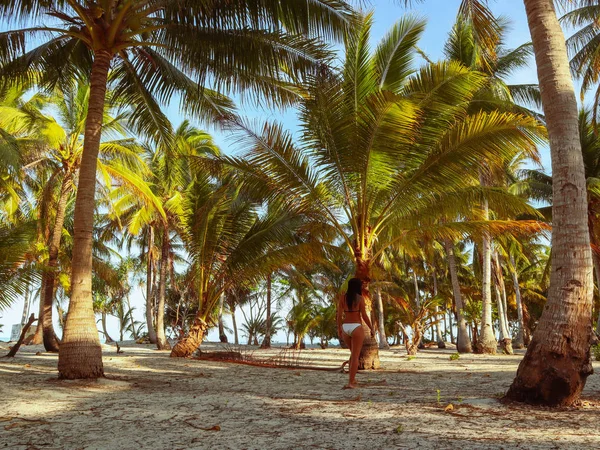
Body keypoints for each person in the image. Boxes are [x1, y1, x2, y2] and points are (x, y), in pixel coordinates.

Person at [336, 277, 375, 389]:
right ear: (357, 287)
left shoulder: (343, 298)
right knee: (355, 356)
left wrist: (339, 328)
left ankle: (352, 379)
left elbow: (339, 315)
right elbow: (364, 315)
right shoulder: (360, 298)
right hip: (356, 327)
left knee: (353, 354)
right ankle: (351, 382)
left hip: (345, 327)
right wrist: (371, 328)